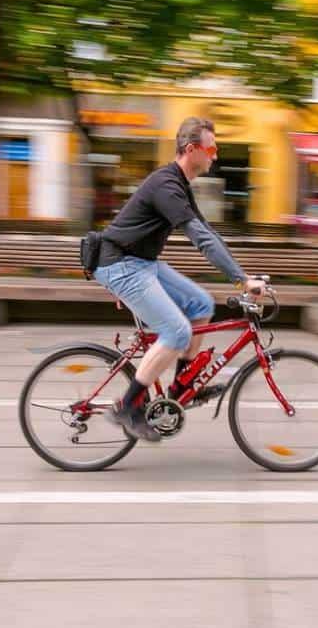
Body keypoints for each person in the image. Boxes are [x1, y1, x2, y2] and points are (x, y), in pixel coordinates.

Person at [93, 117, 266, 442]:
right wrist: (242, 282)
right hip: (121, 265)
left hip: (141, 263)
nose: (215, 156)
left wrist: (243, 273)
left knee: (200, 303)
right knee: (176, 330)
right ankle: (127, 407)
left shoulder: (179, 185)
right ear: (191, 149)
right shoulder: (167, 186)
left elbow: (208, 233)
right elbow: (200, 238)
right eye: (211, 148)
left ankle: (181, 387)